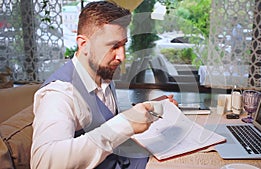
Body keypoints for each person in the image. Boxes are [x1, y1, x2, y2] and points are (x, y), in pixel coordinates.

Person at [30, 1, 177, 169]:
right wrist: (125, 123)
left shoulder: (103, 73)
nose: (121, 56)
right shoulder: (59, 94)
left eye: (123, 45)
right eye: (113, 46)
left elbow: (104, 122)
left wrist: (149, 109)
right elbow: (43, 164)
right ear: (83, 44)